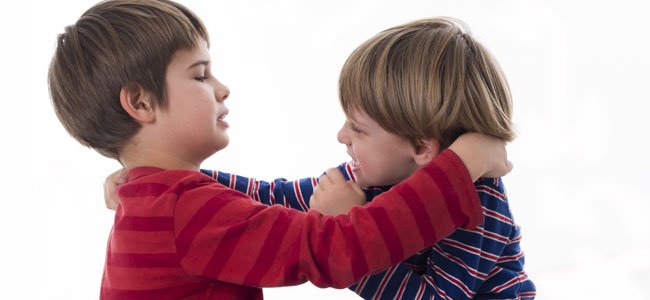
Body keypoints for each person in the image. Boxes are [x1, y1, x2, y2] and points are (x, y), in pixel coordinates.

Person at [49, 1, 510, 299]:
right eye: (200, 74)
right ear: (141, 103)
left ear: (422, 146)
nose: (222, 88)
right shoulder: (184, 209)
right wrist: (462, 164)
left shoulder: (163, 202)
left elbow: (266, 199)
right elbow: (332, 250)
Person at [193, 17, 536, 299]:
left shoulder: (478, 207)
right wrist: (184, 179)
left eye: (357, 129)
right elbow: (271, 197)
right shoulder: (370, 177)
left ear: (420, 148)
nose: (341, 137)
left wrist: (347, 235)